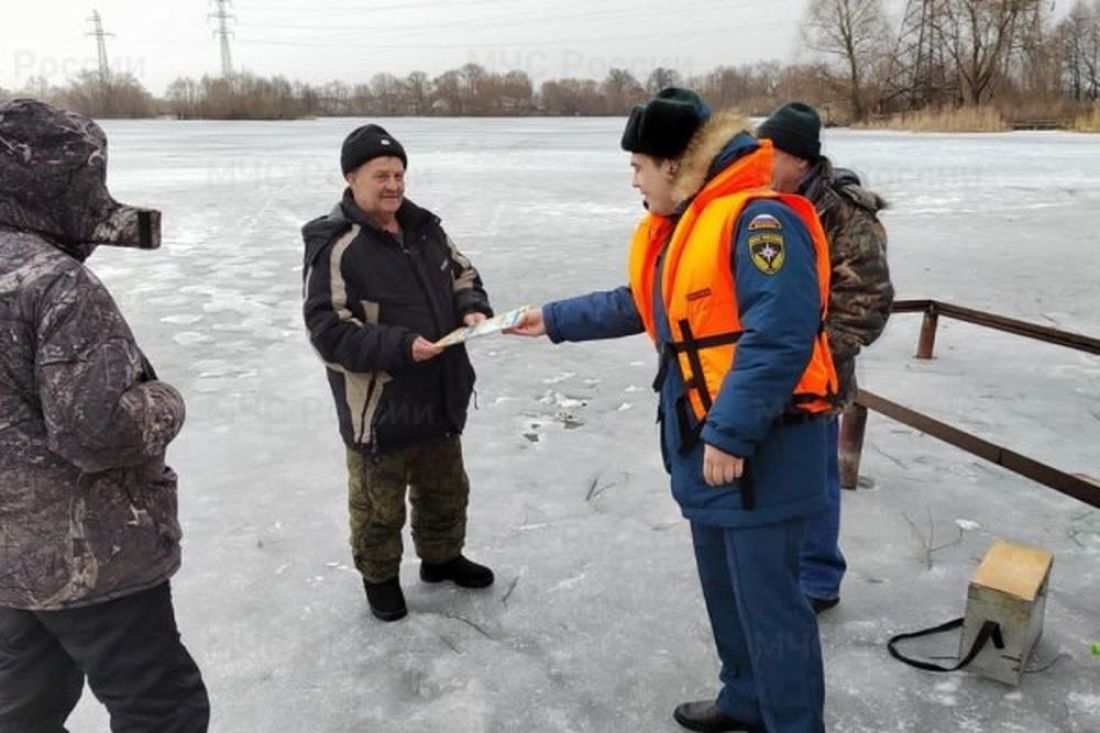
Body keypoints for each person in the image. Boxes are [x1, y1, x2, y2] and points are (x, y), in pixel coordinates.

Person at [509, 88, 835, 733]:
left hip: (760, 448)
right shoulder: (690, 224)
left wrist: (733, 436)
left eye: (638, 166)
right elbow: (642, 303)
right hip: (704, 442)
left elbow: (781, 333)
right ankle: (744, 699)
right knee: (726, 592)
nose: (633, 179)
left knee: (772, 608)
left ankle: (795, 724)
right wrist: (553, 319)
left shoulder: (759, 220)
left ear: (672, 164)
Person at [0, 99, 209, 732]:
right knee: (160, 708)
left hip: (7, 560)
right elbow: (97, 430)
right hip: (88, 553)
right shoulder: (54, 283)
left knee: (21, 709)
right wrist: (165, 402)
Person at [302, 123, 495, 623]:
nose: (393, 185)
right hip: (380, 403)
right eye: (380, 175)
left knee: (445, 489)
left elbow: (464, 275)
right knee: (377, 507)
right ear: (351, 177)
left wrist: (472, 308)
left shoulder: (426, 229)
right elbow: (326, 329)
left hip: (439, 389)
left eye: (399, 174)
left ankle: (442, 558)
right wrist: (401, 346)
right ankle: (380, 578)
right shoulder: (335, 243)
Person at [757, 102, 894, 614]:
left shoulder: (845, 215)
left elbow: (867, 305)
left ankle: (818, 580)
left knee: (815, 478)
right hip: (766, 369)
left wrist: (807, 356)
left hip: (817, 374)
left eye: (770, 153)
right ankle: (776, 568)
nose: (759, 161)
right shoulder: (764, 202)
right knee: (771, 476)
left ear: (800, 161)